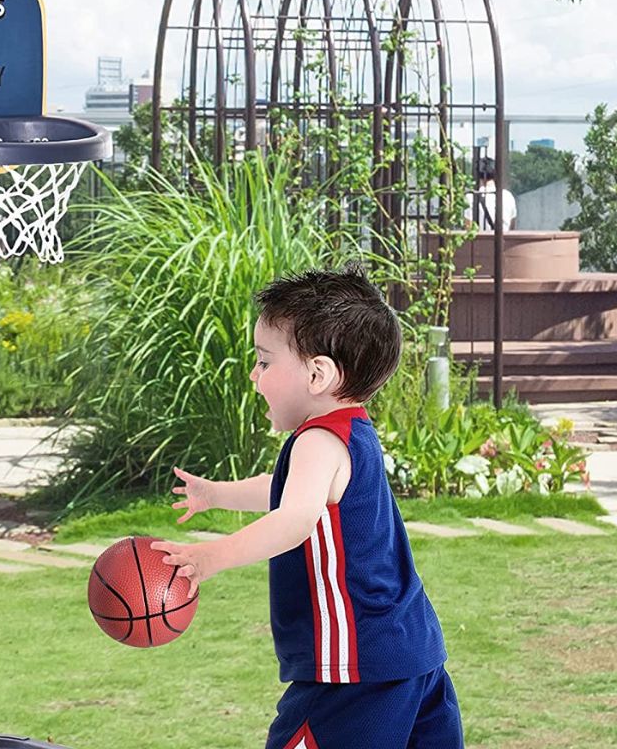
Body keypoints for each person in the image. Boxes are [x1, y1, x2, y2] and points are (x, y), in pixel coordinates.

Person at [152, 263, 463, 748]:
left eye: (265, 361)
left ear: (317, 373)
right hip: (411, 656)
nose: (254, 375)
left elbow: (295, 519)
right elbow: (281, 490)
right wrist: (216, 494)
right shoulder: (351, 431)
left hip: (354, 672)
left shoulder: (318, 441)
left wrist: (210, 557)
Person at [465, 155, 516, 231]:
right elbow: (512, 226)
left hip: (480, 241)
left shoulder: (470, 197)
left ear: (477, 175)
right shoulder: (508, 196)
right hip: (503, 241)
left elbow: (468, 227)